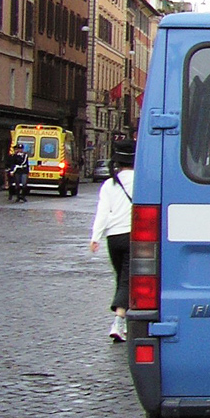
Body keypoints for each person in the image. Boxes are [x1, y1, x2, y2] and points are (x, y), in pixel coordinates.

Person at [90, 139, 136, 342]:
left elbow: (102, 212)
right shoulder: (141, 179)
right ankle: (119, 320)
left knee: (121, 278)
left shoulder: (109, 184)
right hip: (131, 235)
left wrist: (95, 237)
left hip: (113, 237)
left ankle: (124, 318)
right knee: (127, 279)